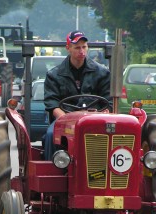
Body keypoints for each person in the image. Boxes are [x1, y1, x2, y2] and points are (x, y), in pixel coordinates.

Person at [44, 30, 111, 160]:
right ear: (68, 48)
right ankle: (53, 170)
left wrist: (103, 114)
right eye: (77, 47)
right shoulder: (54, 75)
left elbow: (108, 102)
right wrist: (66, 121)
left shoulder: (102, 73)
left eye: (84, 47)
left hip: (96, 119)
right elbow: (52, 104)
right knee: (51, 134)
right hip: (65, 119)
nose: (82, 51)